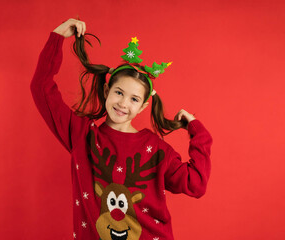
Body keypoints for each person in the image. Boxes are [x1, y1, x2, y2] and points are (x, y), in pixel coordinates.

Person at [30, 18, 213, 240]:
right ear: (107, 90)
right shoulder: (83, 137)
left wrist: (198, 132)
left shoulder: (156, 150)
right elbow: (41, 87)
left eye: (134, 99)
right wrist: (57, 37)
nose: (123, 104)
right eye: (119, 93)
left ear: (144, 105)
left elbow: (196, 184)